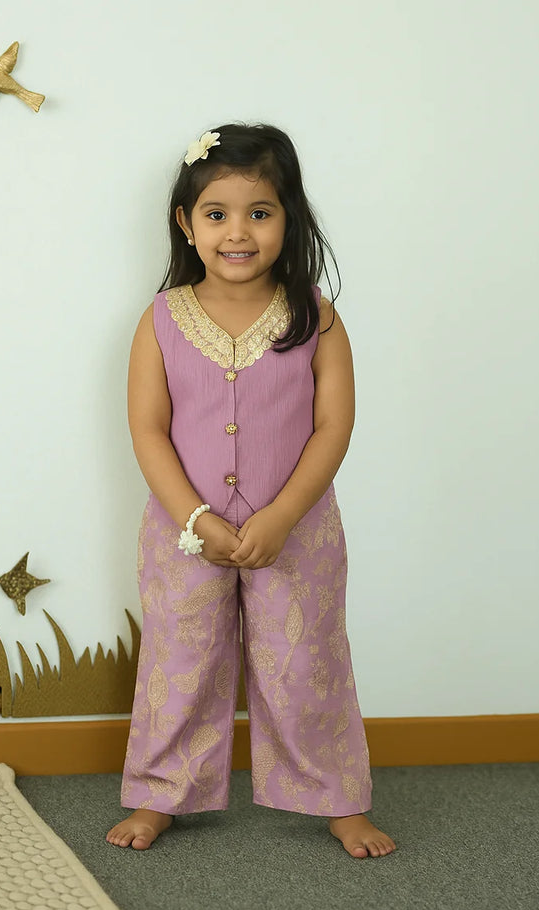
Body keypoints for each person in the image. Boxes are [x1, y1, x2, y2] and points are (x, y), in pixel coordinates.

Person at [106, 123, 396, 859]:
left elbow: (334, 426)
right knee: (182, 661)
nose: (238, 232)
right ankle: (160, 793)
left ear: (288, 218)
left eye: (260, 213)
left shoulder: (316, 317)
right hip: (183, 535)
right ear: (186, 224)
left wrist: (284, 515)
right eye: (217, 214)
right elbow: (147, 431)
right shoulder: (161, 321)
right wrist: (195, 517)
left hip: (297, 533)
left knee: (306, 662)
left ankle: (338, 799)